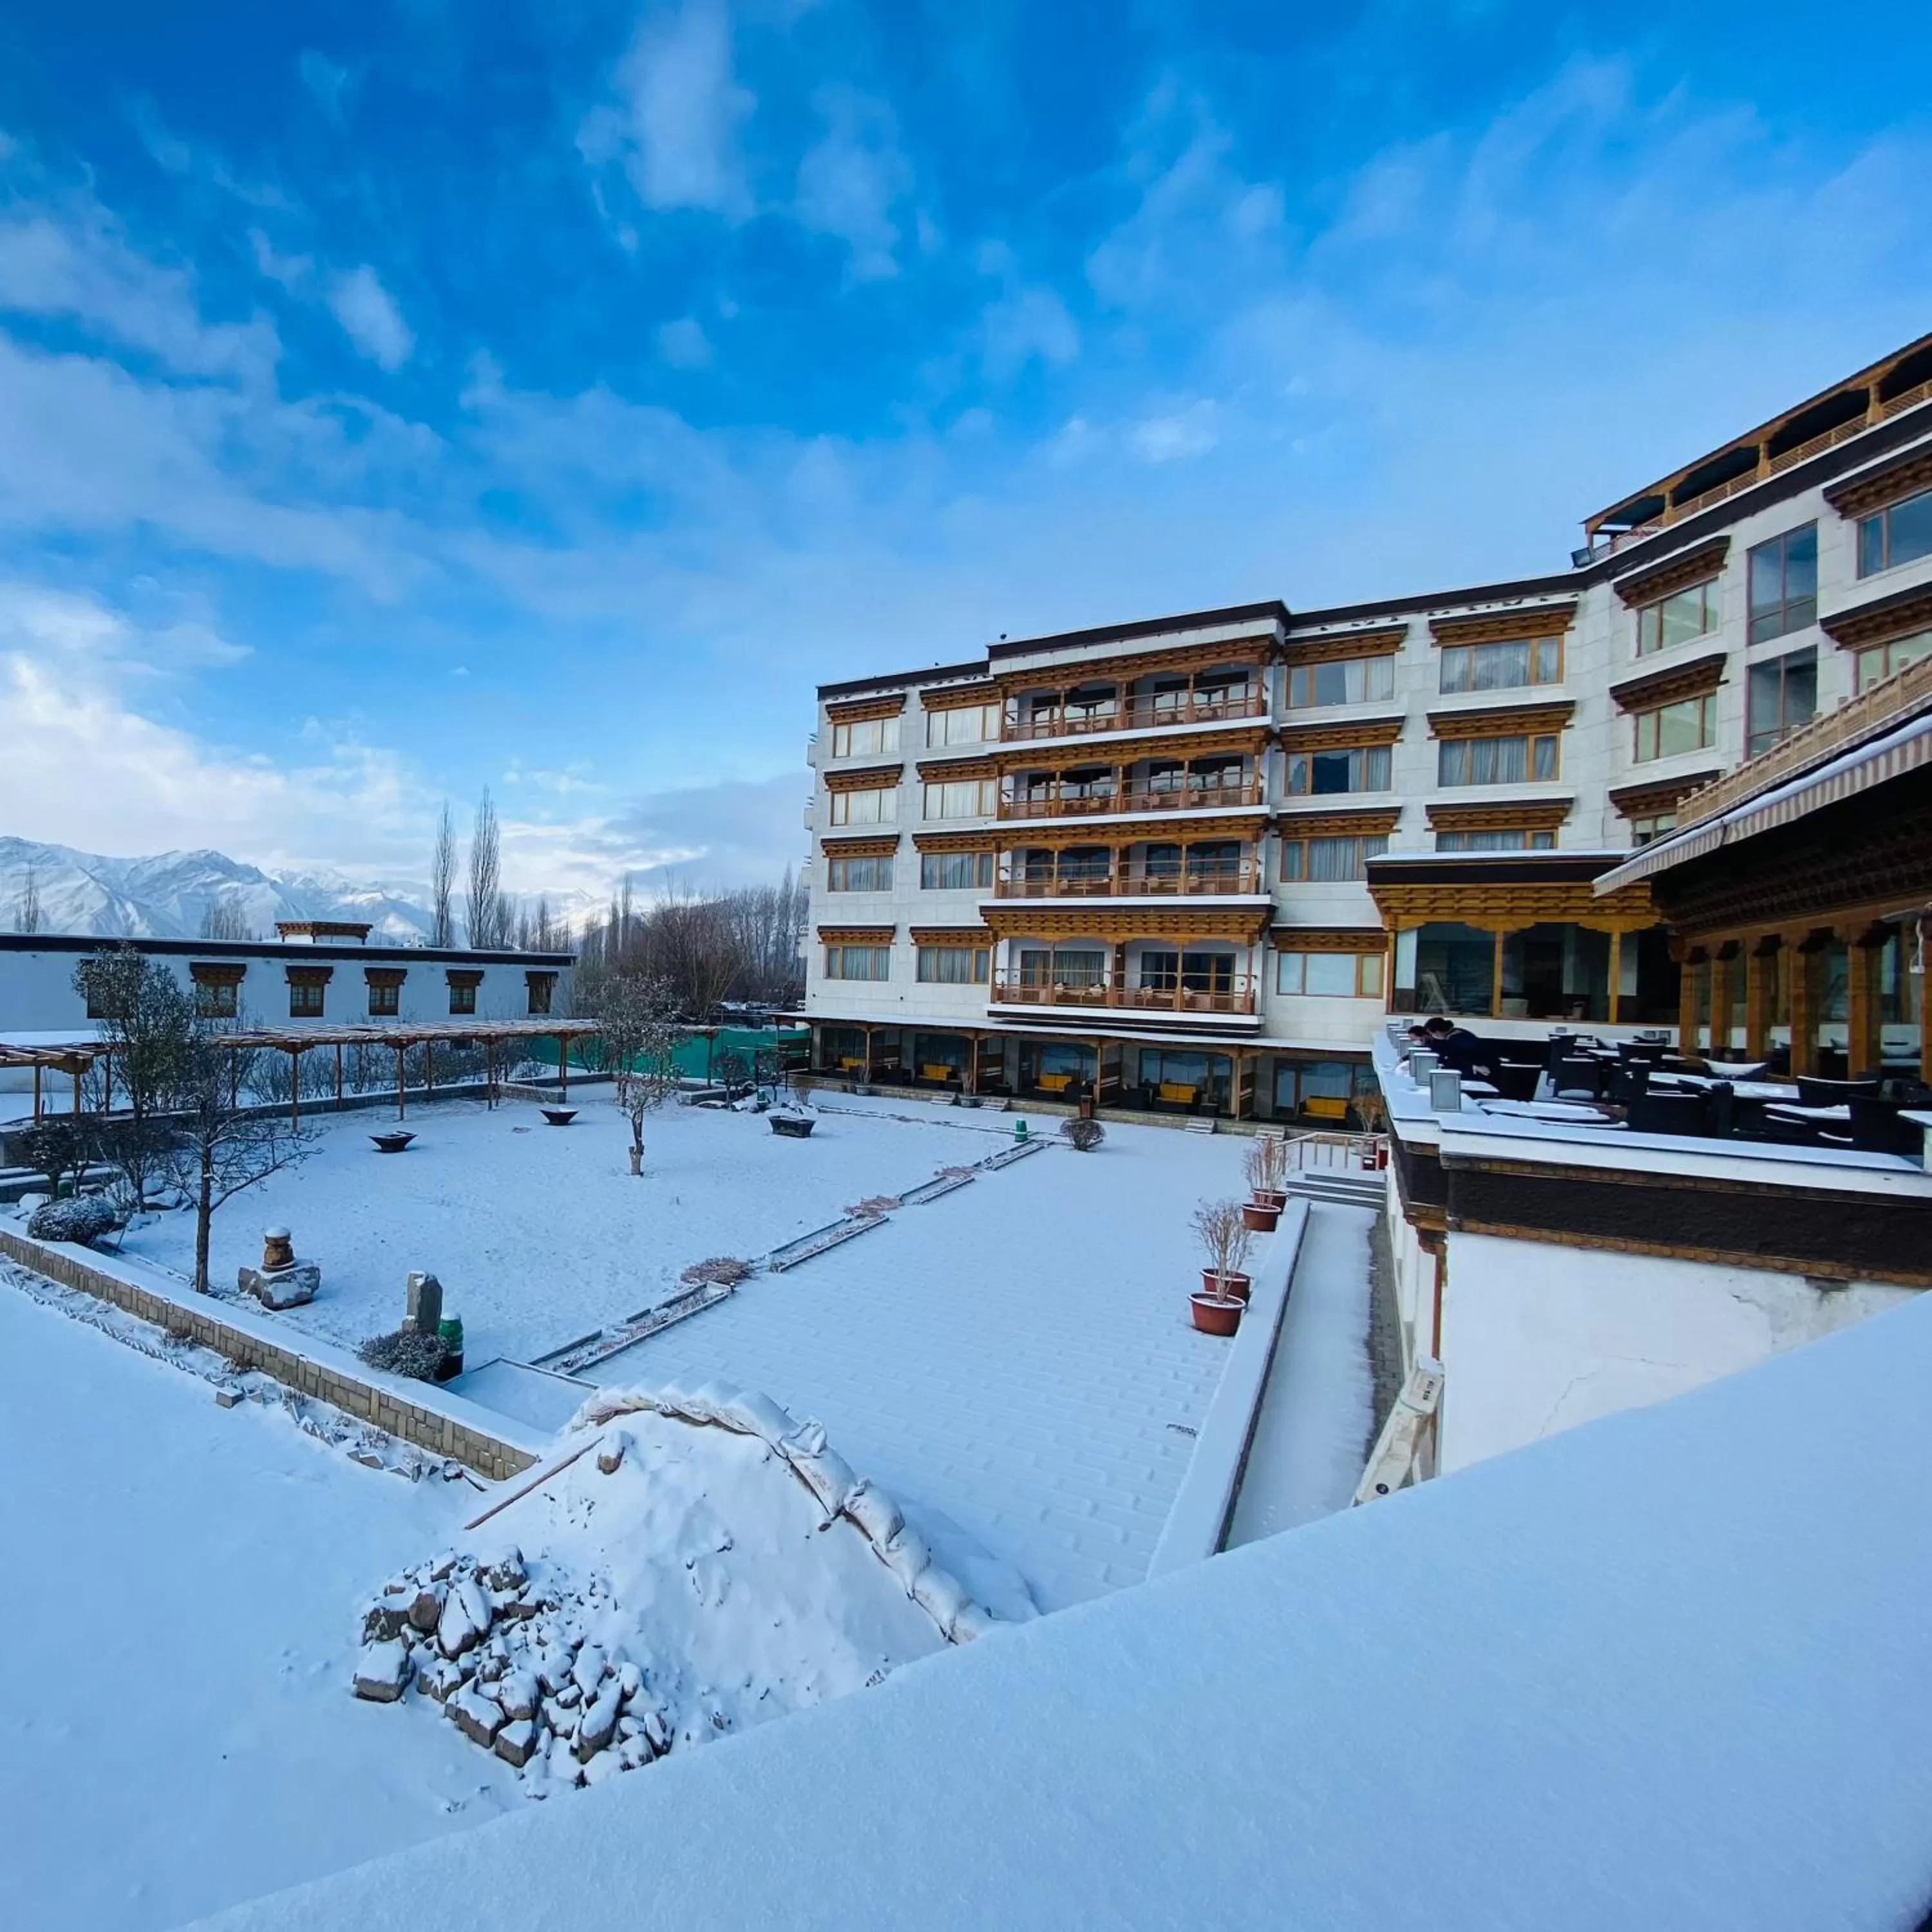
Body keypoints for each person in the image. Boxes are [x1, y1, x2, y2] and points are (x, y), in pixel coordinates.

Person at [1422, 1015, 1493, 1079]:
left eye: (1432, 1034)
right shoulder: (1455, 1034)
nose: (1433, 1036)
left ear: (1438, 1032)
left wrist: (1472, 1067)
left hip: (1480, 1072)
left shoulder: (1458, 1040)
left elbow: (1458, 1058)